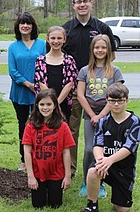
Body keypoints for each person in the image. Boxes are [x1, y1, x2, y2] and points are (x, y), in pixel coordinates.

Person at [62, 0, 116, 178]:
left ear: (91, 3)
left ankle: (102, 166)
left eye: (85, 1)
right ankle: (72, 168)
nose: (82, 4)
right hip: (75, 90)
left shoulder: (102, 28)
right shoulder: (66, 29)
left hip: (99, 91)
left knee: (102, 131)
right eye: (78, 2)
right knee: (72, 130)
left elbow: (111, 54)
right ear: (73, 5)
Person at [77, 34, 124, 197]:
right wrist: (92, 115)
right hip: (90, 116)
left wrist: (102, 115)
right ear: (92, 50)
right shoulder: (85, 70)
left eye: (103, 47)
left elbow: (117, 95)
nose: (100, 50)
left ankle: (101, 184)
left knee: (103, 151)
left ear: (108, 50)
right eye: (97, 47)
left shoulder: (115, 71)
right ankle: (86, 181)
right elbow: (80, 95)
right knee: (90, 149)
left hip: (108, 117)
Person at [82, 83, 140, 212]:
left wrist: (110, 160)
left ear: (127, 100)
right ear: (107, 101)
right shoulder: (103, 121)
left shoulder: (135, 122)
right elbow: (97, 144)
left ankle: (118, 198)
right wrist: (100, 161)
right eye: (112, 101)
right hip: (105, 164)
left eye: (120, 101)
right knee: (93, 171)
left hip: (124, 169)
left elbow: (129, 147)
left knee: (123, 209)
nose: (116, 104)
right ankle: (92, 205)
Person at [22, 88, 75, 209]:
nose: (45, 108)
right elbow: (27, 152)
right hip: (37, 172)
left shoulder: (63, 126)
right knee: (38, 205)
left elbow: (66, 152)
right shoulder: (30, 126)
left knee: (55, 205)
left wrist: (67, 176)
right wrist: (30, 176)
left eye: (49, 104)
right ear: (37, 105)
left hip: (56, 173)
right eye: (42, 104)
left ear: (55, 106)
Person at [8, 12, 46, 171]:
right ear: (18, 26)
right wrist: (29, 85)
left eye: (28, 23)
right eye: (22, 23)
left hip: (40, 93)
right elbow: (12, 70)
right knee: (24, 127)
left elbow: (46, 65)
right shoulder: (13, 47)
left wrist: (38, 85)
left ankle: (40, 158)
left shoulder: (42, 44)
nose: (25, 26)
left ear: (33, 26)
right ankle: (24, 160)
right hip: (20, 92)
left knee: (41, 126)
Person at [34, 26, 78, 122]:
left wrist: (57, 104)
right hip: (45, 105)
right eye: (53, 38)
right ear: (47, 39)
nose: (56, 41)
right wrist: (51, 104)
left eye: (59, 38)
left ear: (64, 40)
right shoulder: (40, 60)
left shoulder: (69, 60)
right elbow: (41, 83)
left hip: (64, 104)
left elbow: (69, 84)